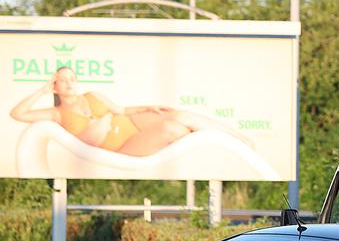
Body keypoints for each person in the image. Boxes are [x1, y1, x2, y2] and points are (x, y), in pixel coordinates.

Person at [9, 67, 247, 157]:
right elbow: (17, 114)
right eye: (62, 80)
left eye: (72, 78)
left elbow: (120, 110)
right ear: (55, 86)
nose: (69, 83)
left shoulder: (92, 96)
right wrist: (42, 89)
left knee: (179, 115)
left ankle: (239, 140)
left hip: (128, 122)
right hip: (121, 146)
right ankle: (224, 150)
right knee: (173, 129)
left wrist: (147, 107)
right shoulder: (56, 113)